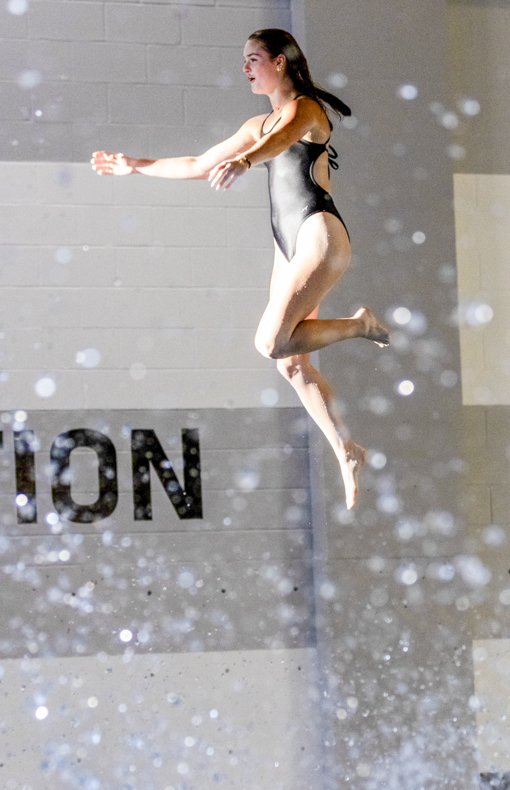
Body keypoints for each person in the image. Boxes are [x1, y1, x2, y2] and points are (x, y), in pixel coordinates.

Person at [91, 28, 388, 508]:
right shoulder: (258, 123)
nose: (245, 68)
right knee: (292, 363)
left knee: (272, 343)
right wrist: (136, 164)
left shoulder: (306, 110)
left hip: (319, 233)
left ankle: (359, 326)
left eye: (253, 59)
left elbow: (284, 140)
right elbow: (196, 162)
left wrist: (248, 162)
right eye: (244, 60)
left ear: (281, 63)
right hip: (287, 244)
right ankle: (346, 450)